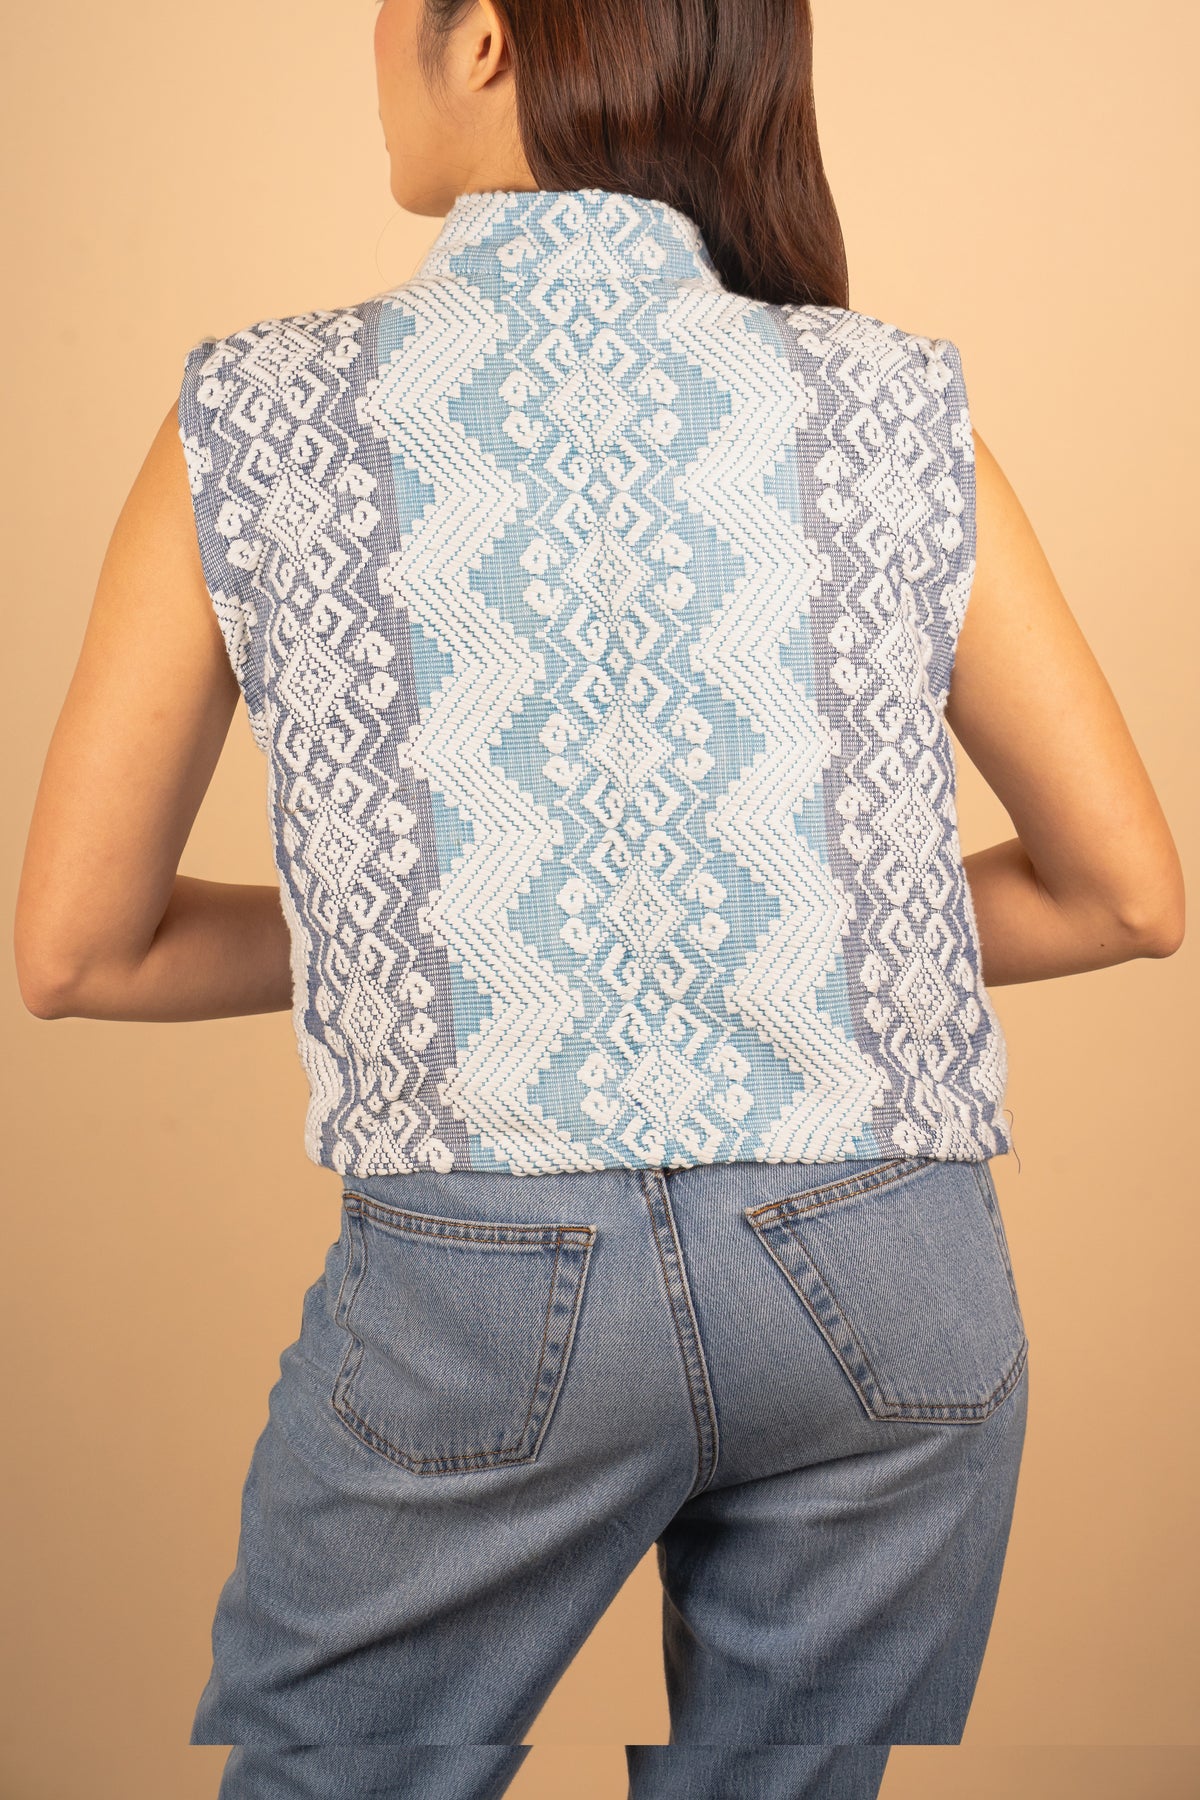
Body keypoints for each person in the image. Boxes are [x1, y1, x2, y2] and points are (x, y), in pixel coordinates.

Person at [14, 1, 1185, 1796]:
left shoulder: (251, 414)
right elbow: (1127, 897)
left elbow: (80, 949)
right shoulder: (890, 400)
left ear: (485, 39)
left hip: (488, 1279)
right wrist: (764, 917)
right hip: (893, 1265)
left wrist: (446, 926)